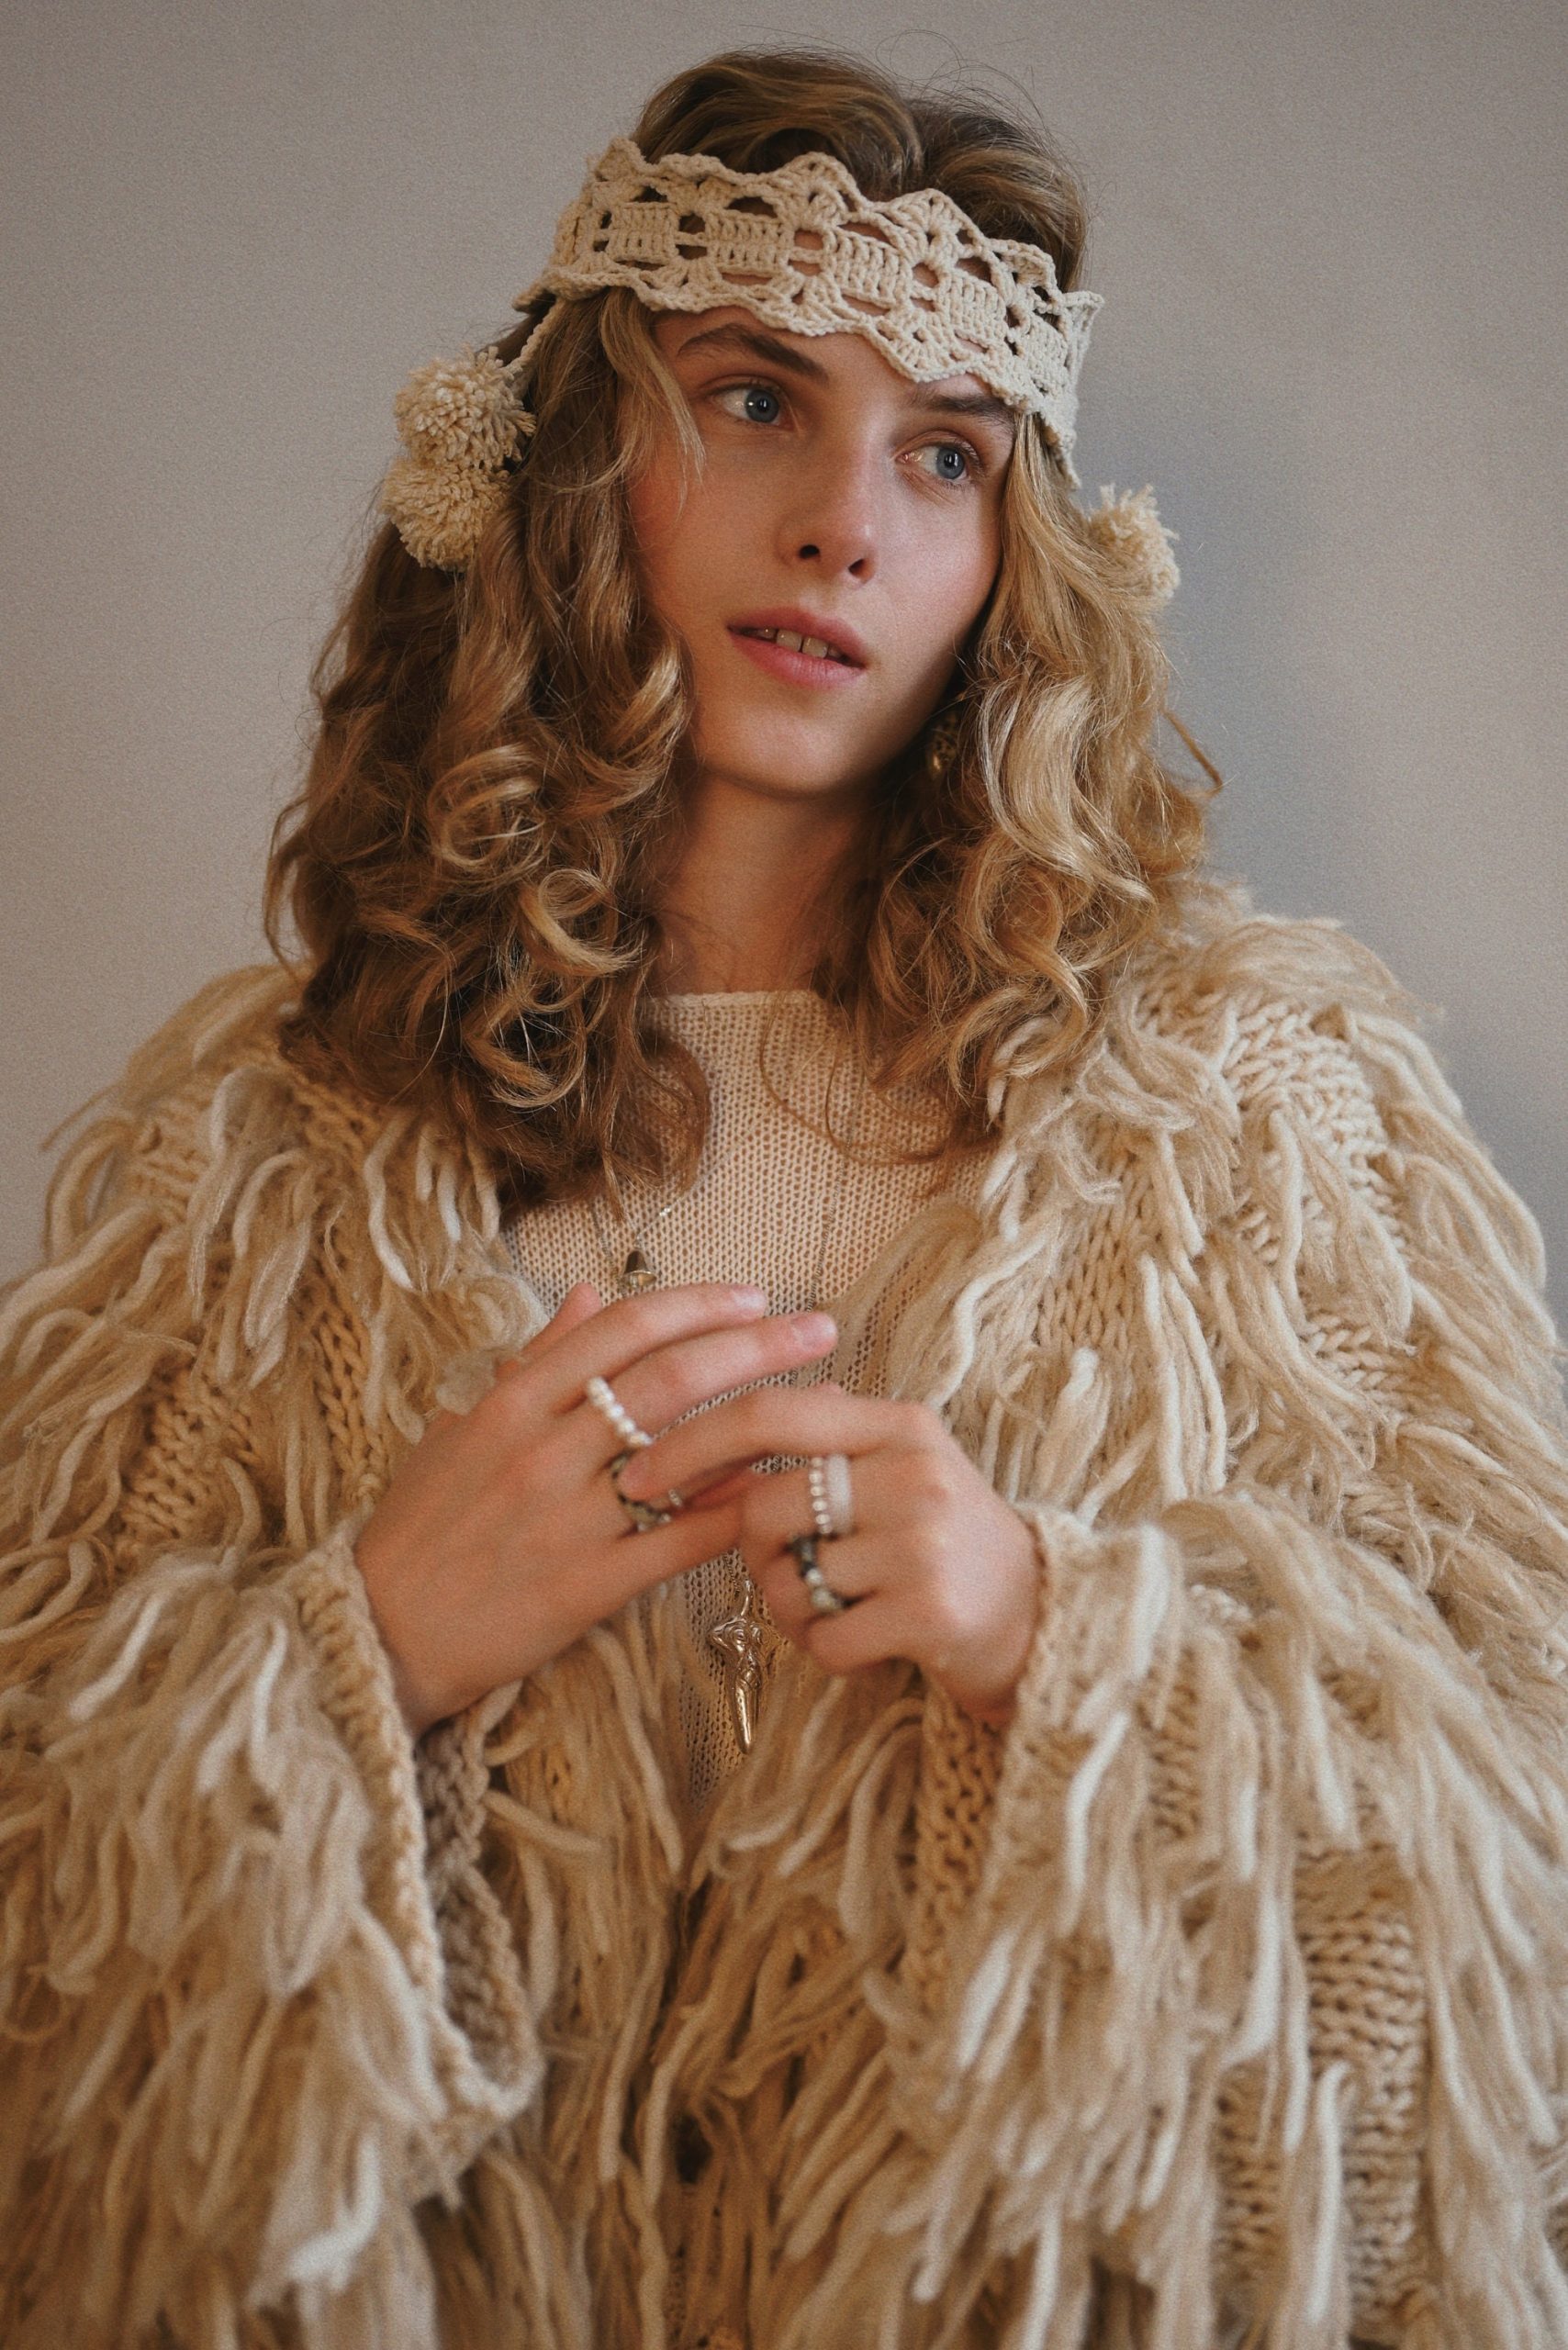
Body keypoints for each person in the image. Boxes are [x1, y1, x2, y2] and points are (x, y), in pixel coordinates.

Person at [3, 42, 1567, 2350]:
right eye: (753, 398)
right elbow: (40, 1909)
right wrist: (367, 1641)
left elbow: (1503, 1867)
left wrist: (1057, 1627)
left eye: (943, 451)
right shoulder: (267, 1156)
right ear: (571, 460)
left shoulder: (1250, 1121)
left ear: (1015, 554)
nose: (846, 521)